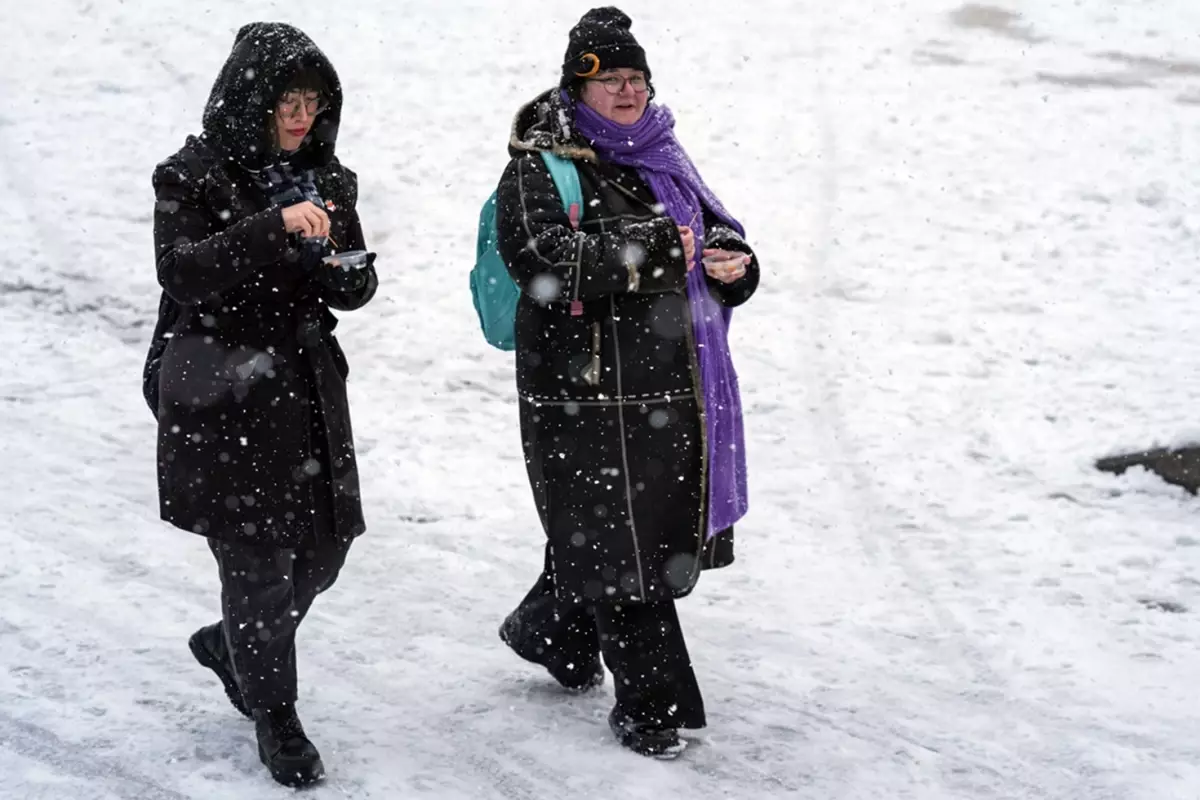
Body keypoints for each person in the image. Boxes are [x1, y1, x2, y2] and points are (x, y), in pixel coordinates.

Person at [494, 7, 760, 758]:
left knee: (614, 535)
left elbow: (708, 229)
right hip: (586, 394)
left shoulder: (660, 151)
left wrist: (733, 261)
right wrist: (654, 250)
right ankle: (652, 707)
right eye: (609, 79)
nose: (626, 91)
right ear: (578, 87)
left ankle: (549, 628)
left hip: (667, 392)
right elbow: (542, 261)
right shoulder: (541, 166)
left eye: (636, 78)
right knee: (624, 549)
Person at [148, 22, 377, 787]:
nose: (301, 115)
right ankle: (275, 715)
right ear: (254, 97)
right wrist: (270, 229)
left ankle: (229, 645)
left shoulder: (327, 178)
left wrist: (342, 264)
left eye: (313, 100)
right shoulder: (192, 175)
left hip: (308, 388)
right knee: (256, 564)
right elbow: (182, 274)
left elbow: (355, 282)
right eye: (288, 98)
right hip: (227, 391)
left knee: (323, 551)